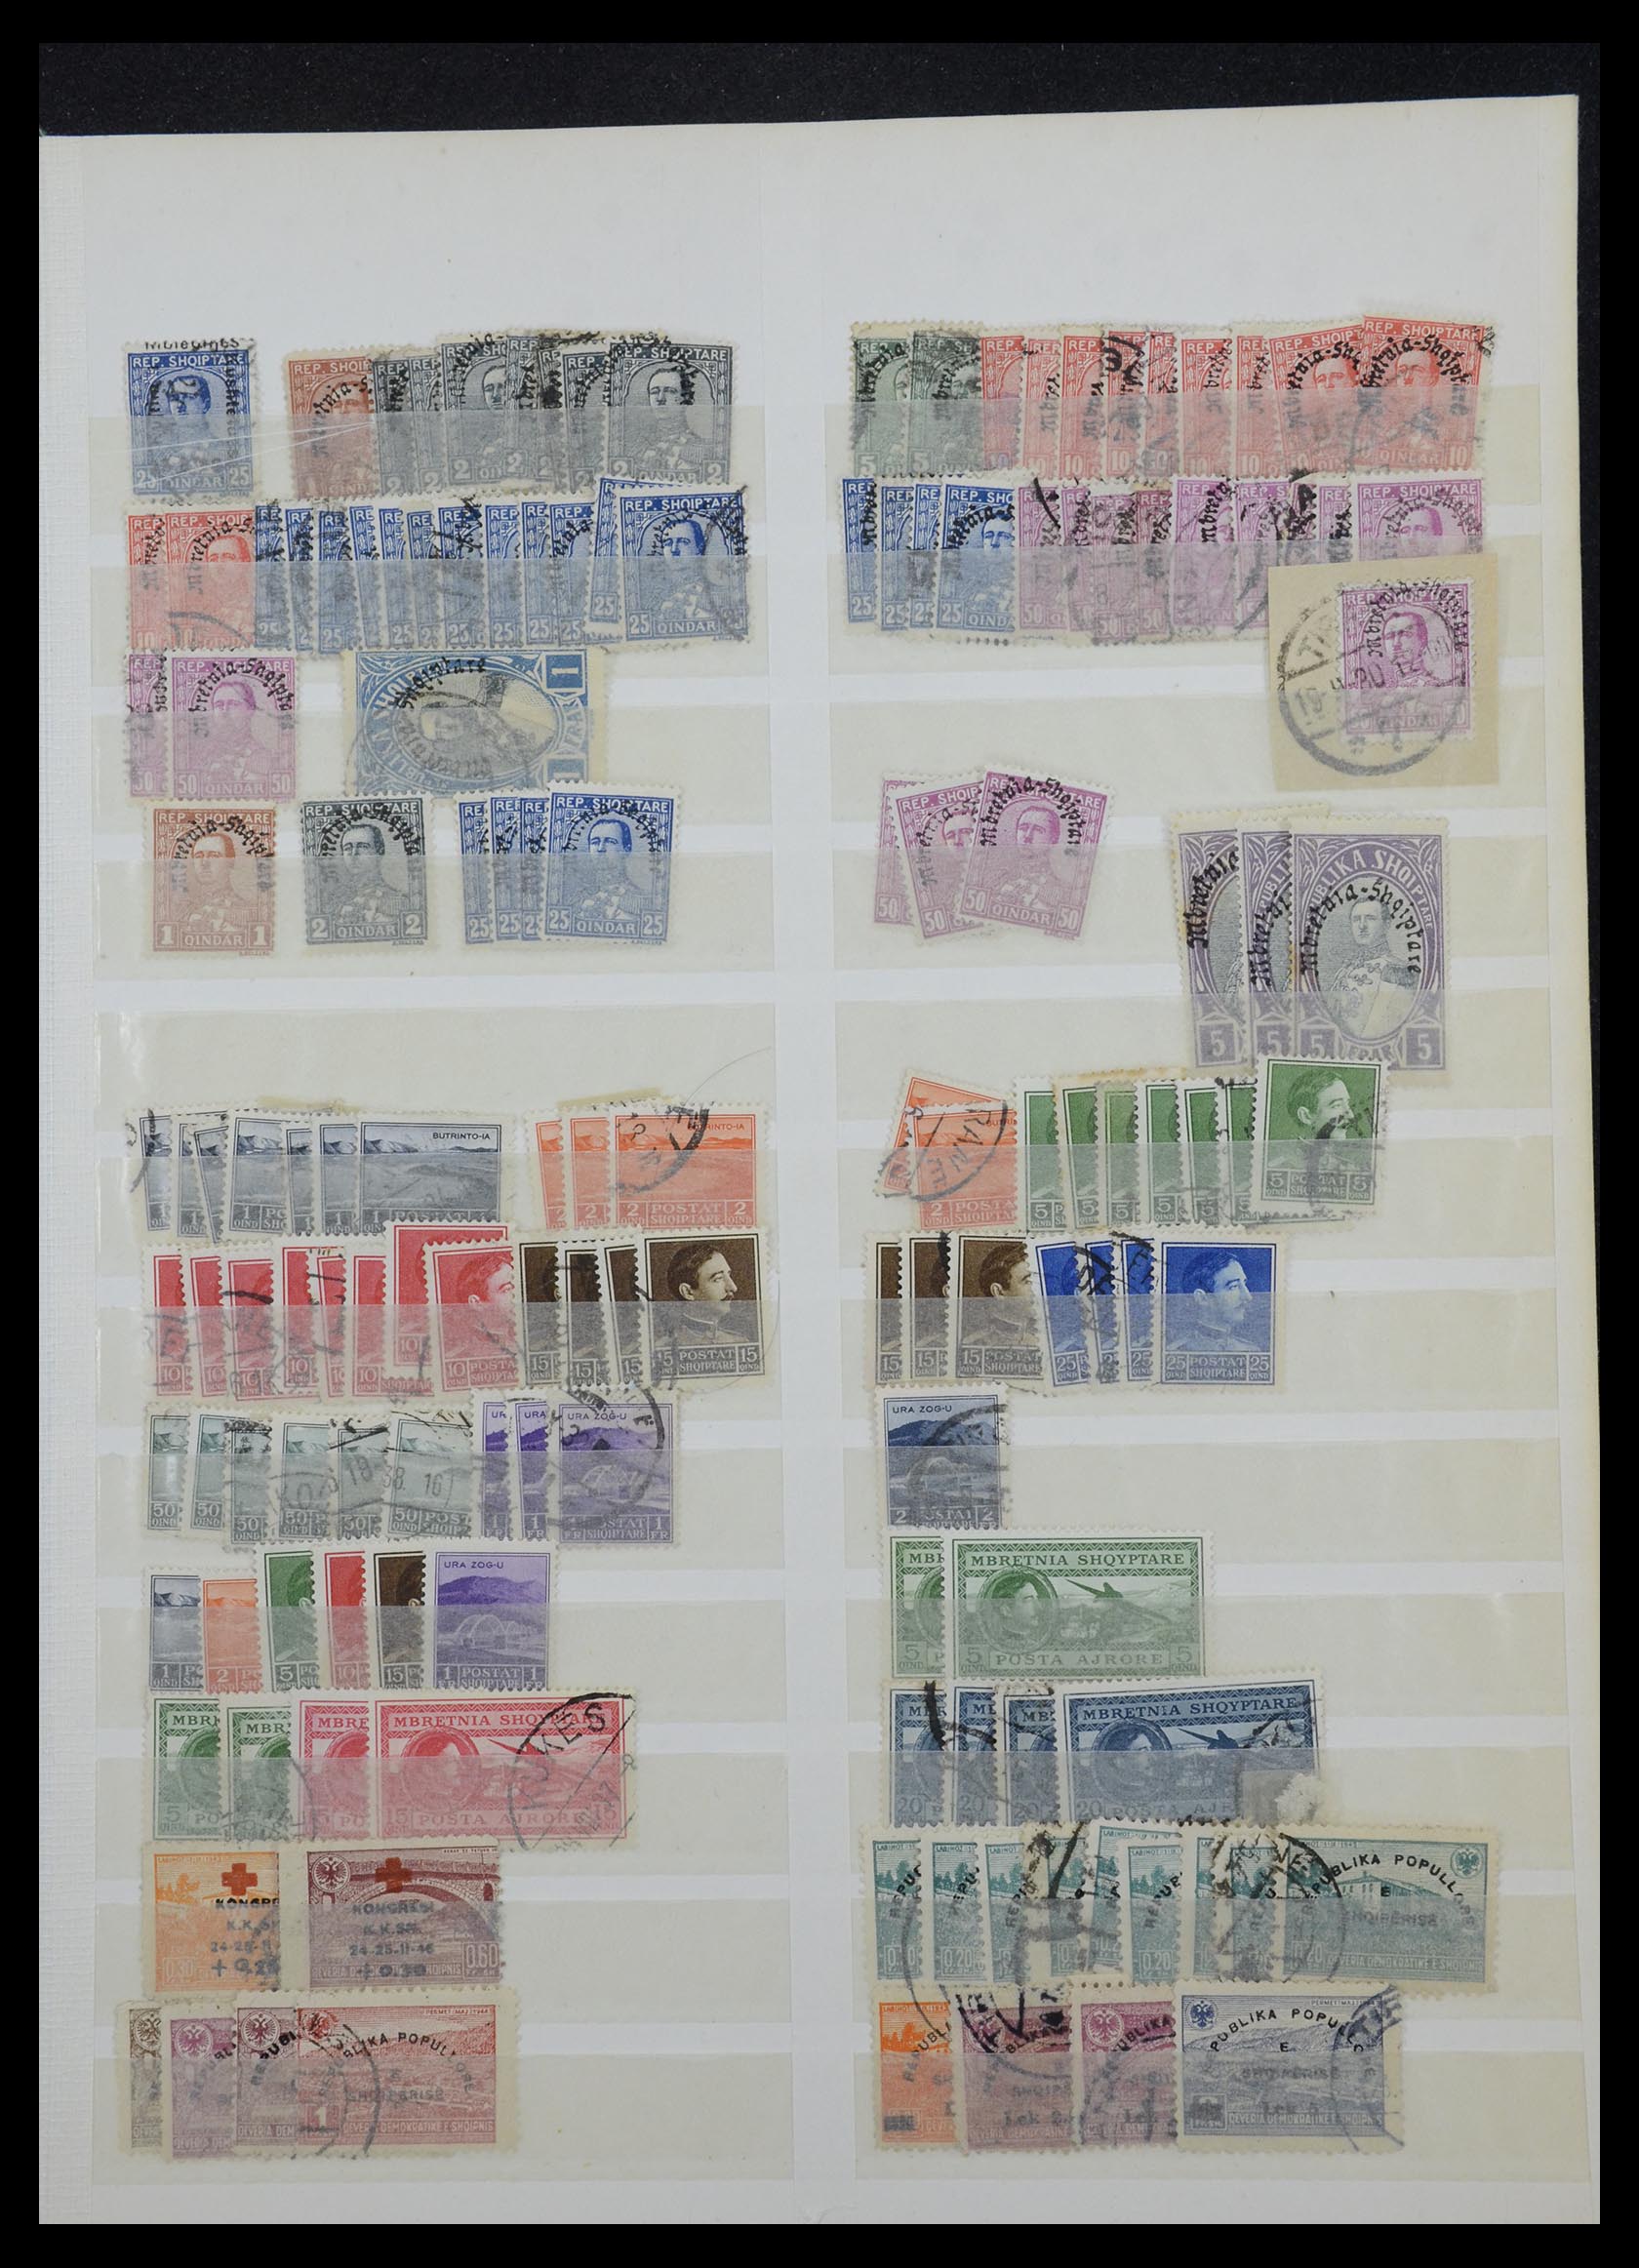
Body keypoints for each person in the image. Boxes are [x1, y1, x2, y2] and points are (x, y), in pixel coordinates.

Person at [1323, 895, 1415, 1041]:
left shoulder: (1398, 970)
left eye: (1370, 918)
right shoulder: (1344, 970)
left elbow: (1386, 1026)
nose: (1362, 926)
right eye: (1356, 919)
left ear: (1386, 925)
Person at [1168, 1248, 1266, 1355]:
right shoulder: (1177, 1352)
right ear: (1202, 1298)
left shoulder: (1250, 1350)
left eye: (1244, 1284)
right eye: (1233, 1287)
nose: (1248, 1296)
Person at [567, 812, 650, 928]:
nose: (601, 848)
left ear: (626, 849)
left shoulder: (641, 900)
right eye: (595, 842)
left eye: (610, 841)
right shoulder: (577, 898)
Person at [663, 1241, 751, 1349]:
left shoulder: (739, 1342)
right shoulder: (665, 1347)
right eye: (718, 1279)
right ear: (688, 1292)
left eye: (729, 1275)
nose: (733, 1287)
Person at [329, 819, 410, 931]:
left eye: (363, 847)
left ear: (380, 851)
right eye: (348, 848)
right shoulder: (336, 901)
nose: (354, 854)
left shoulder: (398, 901)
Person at [966, 1241, 1037, 1351]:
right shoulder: (974, 1346)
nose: (1037, 1290)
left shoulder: (1036, 1341)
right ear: (998, 1292)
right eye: (1027, 1281)